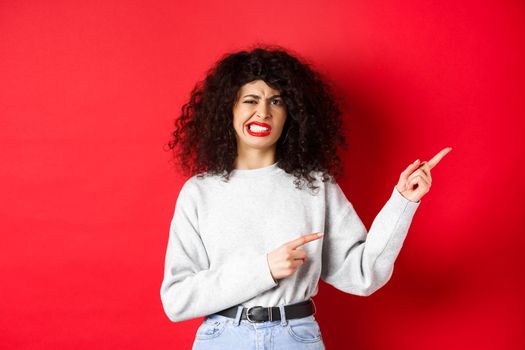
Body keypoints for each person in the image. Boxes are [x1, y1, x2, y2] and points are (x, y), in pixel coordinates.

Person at [160, 44, 451, 349]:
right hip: (223, 338)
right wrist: (265, 269)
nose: (263, 112)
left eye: (277, 101)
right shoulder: (199, 193)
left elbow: (364, 274)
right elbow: (177, 299)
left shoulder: (314, 185)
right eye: (250, 100)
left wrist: (402, 202)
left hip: (295, 338)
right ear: (228, 109)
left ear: (291, 114)